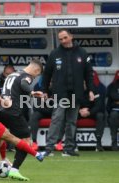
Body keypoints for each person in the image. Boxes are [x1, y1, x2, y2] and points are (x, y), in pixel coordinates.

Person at [0, 59, 44, 181]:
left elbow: (5, 96)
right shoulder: (27, 76)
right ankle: (14, 170)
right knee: (26, 141)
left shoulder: (12, 75)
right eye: (37, 74)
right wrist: (32, 92)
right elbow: (24, 84)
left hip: (0, 111)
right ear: (36, 70)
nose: (35, 77)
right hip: (13, 112)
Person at [42, 29, 94, 157]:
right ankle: (49, 148)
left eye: (65, 38)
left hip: (76, 93)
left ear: (71, 36)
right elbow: (47, 74)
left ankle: (69, 148)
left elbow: (89, 73)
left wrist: (91, 90)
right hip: (60, 93)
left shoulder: (82, 53)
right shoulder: (55, 53)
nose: (63, 41)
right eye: (60, 39)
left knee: (71, 121)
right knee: (57, 119)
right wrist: (44, 91)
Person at [30, 79, 64, 153]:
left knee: (61, 115)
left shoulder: (58, 91)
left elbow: (60, 105)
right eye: (49, 82)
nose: (50, 84)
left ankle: (58, 142)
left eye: (52, 82)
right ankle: (34, 142)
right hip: (44, 111)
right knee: (34, 116)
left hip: (54, 112)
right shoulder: (40, 90)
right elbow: (36, 107)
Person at [106, 71, 119, 151]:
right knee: (113, 116)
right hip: (115, 110)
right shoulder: (113, 86)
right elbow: (114, 96)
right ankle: (114, 143)